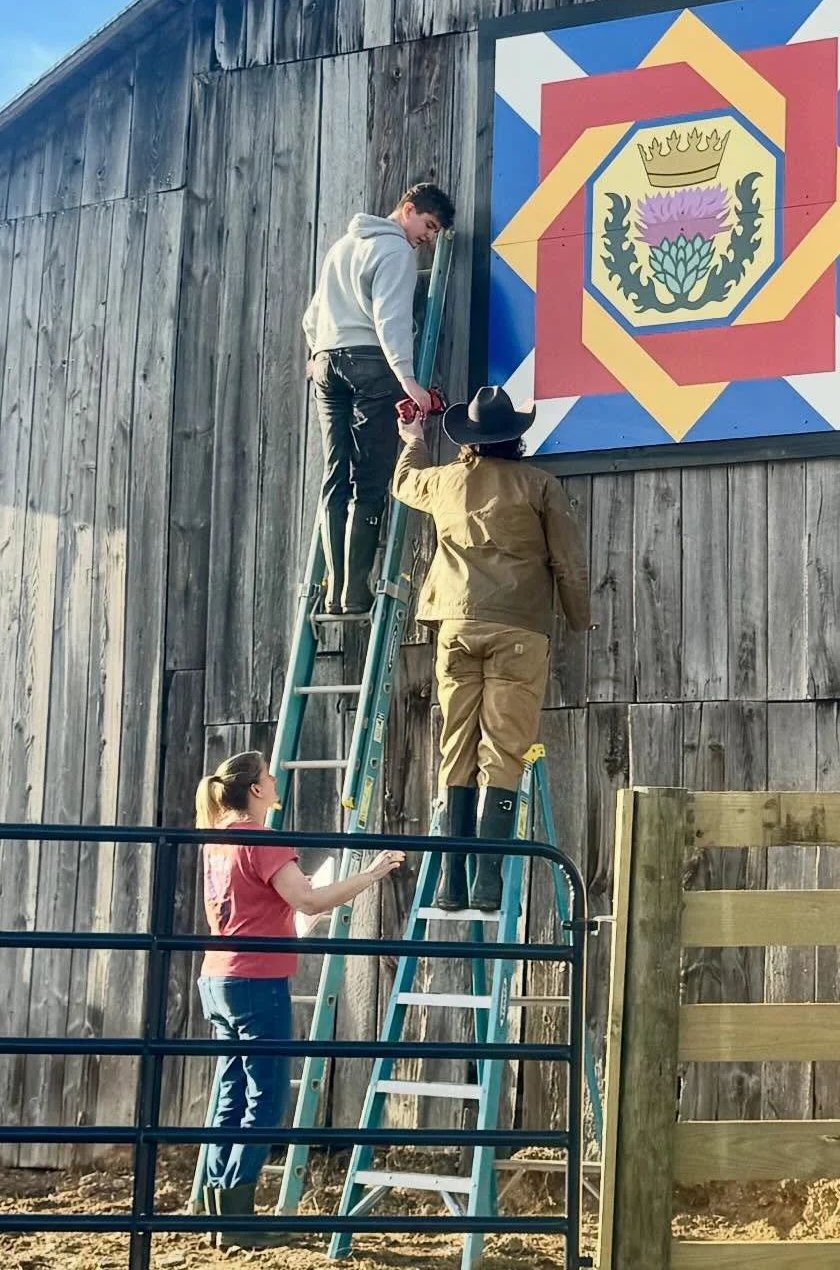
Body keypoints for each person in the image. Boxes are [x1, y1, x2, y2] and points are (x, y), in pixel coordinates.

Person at [392, 386, 593, 912]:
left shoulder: (445, 481)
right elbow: (568, 562)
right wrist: (579, 619)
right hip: (520, 630)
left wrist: (412, 439)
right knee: (502, 751)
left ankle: (449, 884)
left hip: (455, 626)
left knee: (455, 748)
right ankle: (487, 881)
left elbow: (404, 481)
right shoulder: (540, 486)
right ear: (516, 437)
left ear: (470, 437)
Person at [195, 750, 404, 1247]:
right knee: (264, 1097)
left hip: (218, 976)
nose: (275, 779)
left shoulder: (217, 841)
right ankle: (237, 1219)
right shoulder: (262, 841)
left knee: (231, 1091)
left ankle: (216, 1209)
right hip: (256, 979)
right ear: (256, 790)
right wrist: (372, 874)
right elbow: (308, 900)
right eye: (269, 776)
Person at [302, 182, 455, 616]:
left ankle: (333, 592)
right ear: (407, 210)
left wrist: (316, 353)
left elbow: (311, 315)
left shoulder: (342, 247)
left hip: (328, 365)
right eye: (427, 225)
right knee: (369, 478)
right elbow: (390, 318)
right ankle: (354, 593)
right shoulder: (395, 253)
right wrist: (407, 379)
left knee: (336, 471)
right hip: (371, 363)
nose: (428, 238)